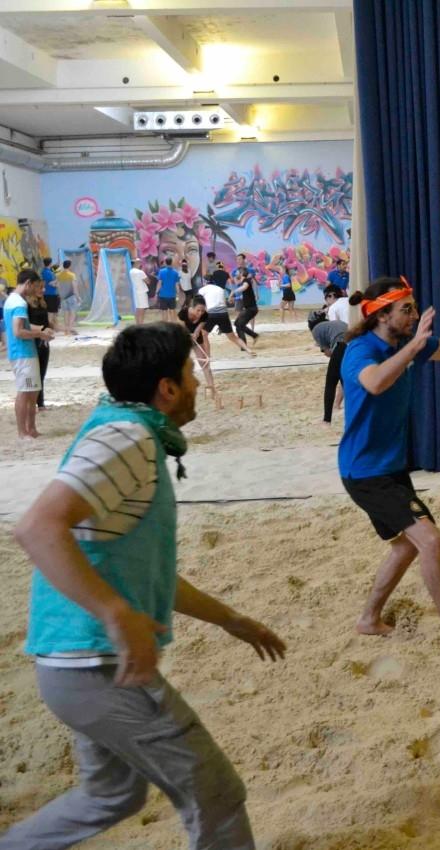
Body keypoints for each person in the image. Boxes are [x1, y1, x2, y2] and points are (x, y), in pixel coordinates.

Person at [0, 323, 285, 850]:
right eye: (190, 371)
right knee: (216, 795)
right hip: (95, 666)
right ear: (167, 388)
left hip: (75, 666)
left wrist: (231, 620)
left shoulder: (131, 432)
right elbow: (37, 528)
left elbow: (144, 573)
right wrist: (113, 612)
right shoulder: (127, 437)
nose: (199, 380)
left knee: (111, 796)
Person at [339, 273, 440, 662]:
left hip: (389, 467)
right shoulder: (361, 349)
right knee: (430, 539)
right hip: (364, 472)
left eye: (413, 308)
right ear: (381, 314)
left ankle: (369, 618)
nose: (413, 314)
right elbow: (374, 383)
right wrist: (414, 347)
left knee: (406, 545)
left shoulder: (407, 343)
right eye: (405, 309)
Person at [6, 270, 53, 439]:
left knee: (32, 391)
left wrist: (40, 330)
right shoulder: (19, 304)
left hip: (26, 352)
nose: (35, 290)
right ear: (28, 283)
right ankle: (22, 432)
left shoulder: (13, 300)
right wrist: (40, 334)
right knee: (25, 393)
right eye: (34, 286)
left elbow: (23, 326)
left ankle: (31, 428)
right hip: (22, 353)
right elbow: (18, 331)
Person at [197, 274, 254, 356]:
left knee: (203, 335)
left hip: (211, 313)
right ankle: (248, 350)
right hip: (223, 313)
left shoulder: (202, 290)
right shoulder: (220, 289)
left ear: (204, 281)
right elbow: (223, 303)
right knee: (232, 337)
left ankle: (207, 355)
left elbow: (200, 305)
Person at [178, 295, 217, 401]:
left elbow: (199, 329)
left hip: (196, 339)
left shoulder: (205, 315)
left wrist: (195, 333)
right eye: (198, 310)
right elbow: (181, 328)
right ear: (192, 308)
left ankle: (212, 389)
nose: (200, 313)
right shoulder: (183, 313)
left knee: (205, 363)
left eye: (202, 310)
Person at [313, 316, 351, 423]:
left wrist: (326, 350)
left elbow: (328, 353)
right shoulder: (338, 323)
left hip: (340, 347)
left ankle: (327, 419)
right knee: (348, 385)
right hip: (353, 347)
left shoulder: (316, 330)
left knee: (331, 383)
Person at [28, 284, 56, 411]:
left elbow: (47, 323)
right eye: (40, 288)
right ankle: (34, 403)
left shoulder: (43, 303)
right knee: (34, 374)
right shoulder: (26, 305)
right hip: (34, 340)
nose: (43, 290)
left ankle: (41, 403)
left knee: (42, 374)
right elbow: (26, 325)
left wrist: (52, 328)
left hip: (44, 342)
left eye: (43, 288)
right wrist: (41, 330)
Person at [231, 258, 259, 348]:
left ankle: (252, 337)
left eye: (239, 272)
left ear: (242, 274)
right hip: (249, 309)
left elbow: (244, 287)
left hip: (251, 309)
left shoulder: (246, 281)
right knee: (237, 324)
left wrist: (233, 292)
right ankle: (250, 339)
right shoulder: (244, 281)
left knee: (239, 324)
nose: (237, 273)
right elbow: (239, 283)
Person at [56, 260, 79, 335]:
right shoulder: (72, 275)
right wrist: (78, 297)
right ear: (69, 266)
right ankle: (70, 329)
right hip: (71, 296)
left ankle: (66, 331)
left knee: (65, 313)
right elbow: (74, 287)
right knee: (72, 313)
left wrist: (60, 295)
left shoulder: (59, 275)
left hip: (63, 297)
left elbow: (58, 286)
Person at [155, 257, 180, 323]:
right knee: (173, 311)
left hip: (163, 295)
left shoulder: (161, 271)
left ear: (165, 262)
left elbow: (159, 283)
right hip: (172, 295)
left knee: (164, 311)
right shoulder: (175, 272)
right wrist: (178, 294)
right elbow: (177, 285)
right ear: (172, 262)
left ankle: (165, 326)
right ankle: (173, 326)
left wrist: (156, 292)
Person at [128, 257, 149, 325]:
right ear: (137, 263)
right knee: (142, 309)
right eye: (139, 262)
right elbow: (148, 281)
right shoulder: (140, 272)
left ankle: (138, 324)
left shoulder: (130, 271)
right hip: (141, 292)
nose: (140, 264)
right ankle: (141, 324)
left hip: (135, 292)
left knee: (137, 309)